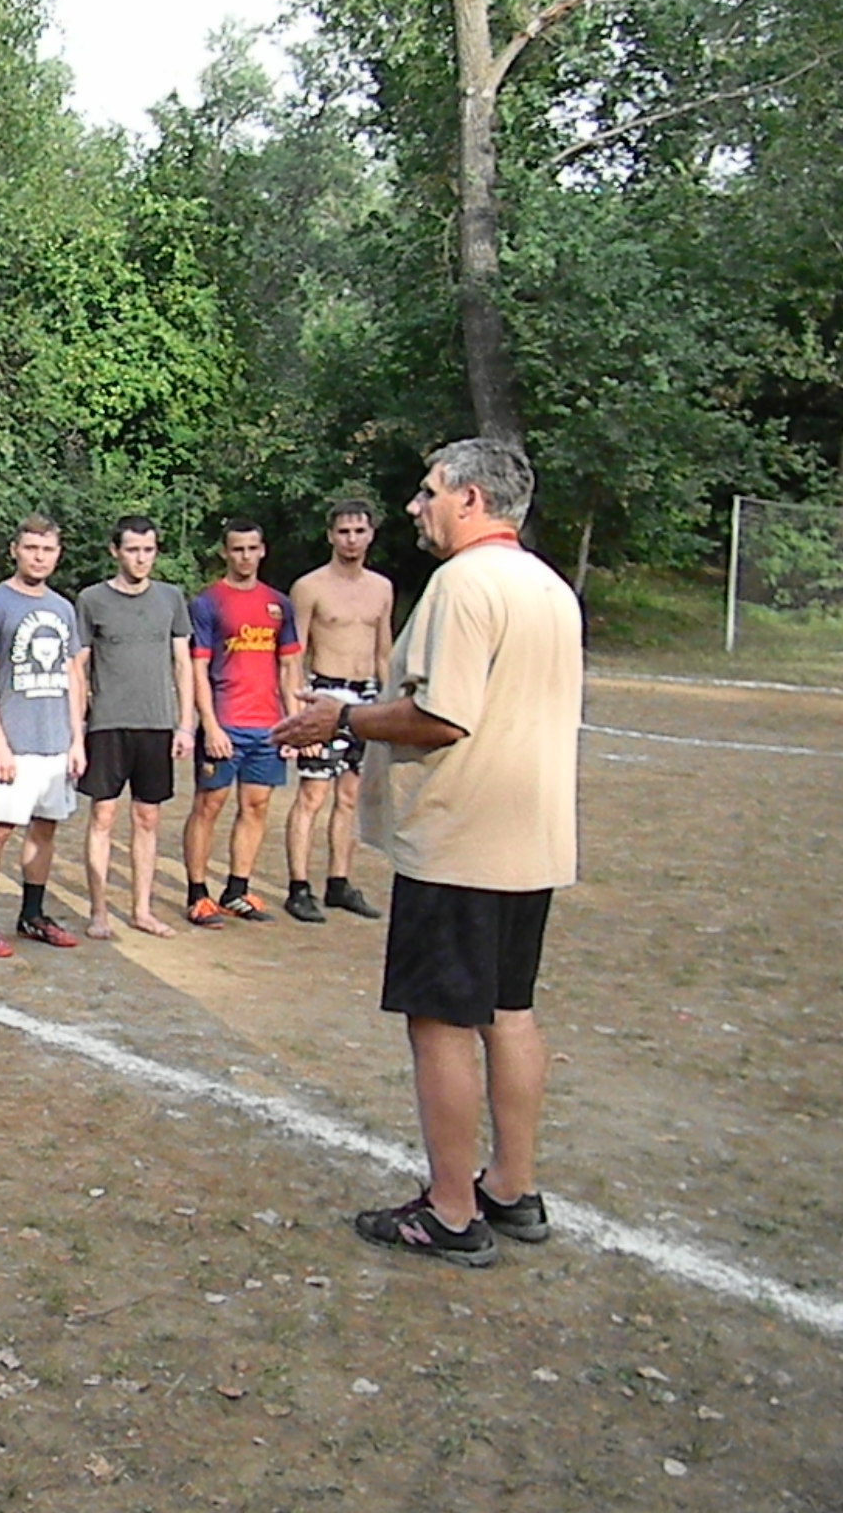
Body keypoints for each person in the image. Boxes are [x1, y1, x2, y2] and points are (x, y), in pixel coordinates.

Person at [273, 438, 581, 1267]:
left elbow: (441, 716)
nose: (414, 508)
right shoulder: (548, 586)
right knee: (509, 1012)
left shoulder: (464, 584)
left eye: (427, 493)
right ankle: (511, 1188)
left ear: (472, 500)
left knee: (441, 1020)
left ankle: (451, 1210)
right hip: (530, 839)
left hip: (461, 843)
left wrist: (340, 718)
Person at [0, 514, 87, 956]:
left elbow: (73, 675)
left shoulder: (62, 608)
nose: (39, 557)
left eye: (48, 549)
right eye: (31, 548)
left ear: (58, 554)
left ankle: (32, 913)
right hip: (13, 742)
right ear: (15, 550)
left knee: (46, 827)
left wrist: (77, 739)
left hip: (55, 739)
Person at [72, 515, 195, 940]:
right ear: (115, 551)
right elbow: (78, 668)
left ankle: (142, 909)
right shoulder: (91, 601)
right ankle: (99, 911)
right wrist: (77, 732)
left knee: (147, 817)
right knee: (102, 816)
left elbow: (183, 663)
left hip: (157, 723)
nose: (141, 558)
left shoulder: (171, 599)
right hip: (107, 723)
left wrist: (186, 724)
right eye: (132, 550)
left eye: (148, 550)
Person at [181, 519, 301, 927]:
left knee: (256, 805)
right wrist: (209, 726)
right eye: (237, 549)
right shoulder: (207, 602)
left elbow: (288, 668)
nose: (245, 556)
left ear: (263, 550)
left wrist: (293, 724)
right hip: (225, 722)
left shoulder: (279, 604)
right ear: (225, 553)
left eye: (252, 548)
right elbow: (197, 669)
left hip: (267, 725)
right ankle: (198, 893)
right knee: (208, 805)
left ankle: (237, 889)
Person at [282, 499, 394, 924]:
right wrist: (297, 711)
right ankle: (298, 886)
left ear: (370, 535)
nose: (351, 540)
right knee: (312, 794)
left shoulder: (381, 588)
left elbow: (383, 649)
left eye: (359, 531)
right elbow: (294, 654)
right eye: (343, 532)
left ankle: (339, 882)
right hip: (324, 693)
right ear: (330, 535)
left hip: (366, 697)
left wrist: (387, 703)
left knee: (350, 797)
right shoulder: (310, 587)